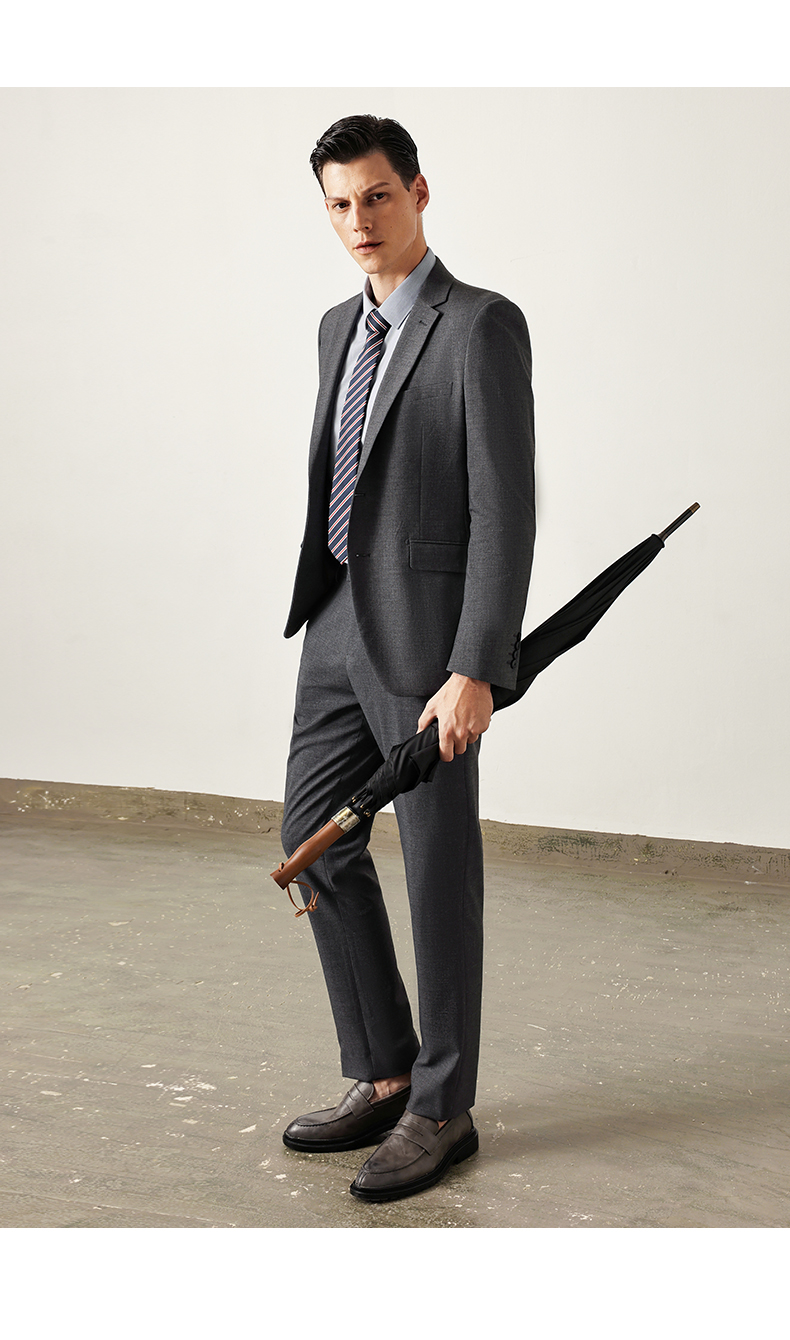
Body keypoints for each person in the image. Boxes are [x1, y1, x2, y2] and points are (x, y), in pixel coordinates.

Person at [279, 114, 535, 1202]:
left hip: (430, 645)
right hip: (335, 620)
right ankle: (385, 1069)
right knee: (311, 838)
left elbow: (503, 509)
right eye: (339, 204)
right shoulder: (338, 325)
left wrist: (476, 665)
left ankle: (442, 1106)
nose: (359, 221)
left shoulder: (479, 324)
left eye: (377, 196)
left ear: (419, 193)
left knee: (436, 869)